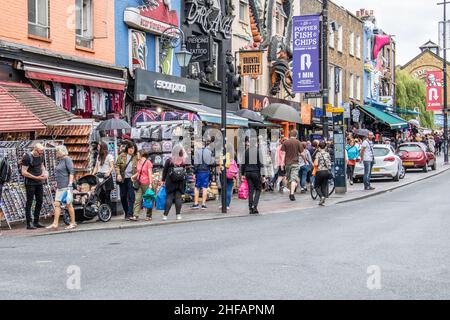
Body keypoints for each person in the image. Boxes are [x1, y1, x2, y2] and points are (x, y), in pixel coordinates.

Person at [46, 145, 76, 230]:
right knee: (57, 204)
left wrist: (70, 184)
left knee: (68, 204)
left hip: (66, 186)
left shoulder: (67, 159)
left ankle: (73, 223)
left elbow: (71, 172)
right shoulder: (61, 160)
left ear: (61, 152)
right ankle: (55, 223)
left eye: (57, 151)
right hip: (60, 186)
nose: (56, 153)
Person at [21, 143, 48, 230]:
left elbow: (42, 166)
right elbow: (24, 172)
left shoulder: (41, 156)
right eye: (40, 152)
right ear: (35, 150)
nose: (41, 154)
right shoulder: (27, 157)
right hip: (30, 183)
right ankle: (29, 223)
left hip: (39, 181)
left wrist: (45, 173)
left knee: (40, 200)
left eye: (42, 152)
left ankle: (36, 221)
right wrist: (36, 177)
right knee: (29, 202)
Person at [162, 145, 187, 220]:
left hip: (171, 181)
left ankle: (165, 215)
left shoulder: (169, 160)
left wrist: (163, 180)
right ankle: (178, 215)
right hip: (180, 181)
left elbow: (165, 171)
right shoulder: (183, 160)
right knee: (178, 198)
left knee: (169, 197)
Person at [115, 141, 137, 220]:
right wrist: (118, 174)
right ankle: (126, 211)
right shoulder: (122, 155)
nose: (131, 150)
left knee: (131, 196)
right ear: (127, 148)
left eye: (133, 148)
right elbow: (117, 165)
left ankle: (130, 214)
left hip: (132, 178)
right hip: (123, 179)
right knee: (123, 196)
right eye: (130, 148)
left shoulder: (136, 156)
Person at [92, 141, 116, 214]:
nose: (97, 147)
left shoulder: (109, 156)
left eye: (99, 146)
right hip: (99, 176)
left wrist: (108, 172)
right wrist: (92, 174)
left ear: (102, 147)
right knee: (100, 195)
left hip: (106, 177)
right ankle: (102, 213)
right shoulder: (98, 156)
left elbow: (112, 166)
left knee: (107, 195)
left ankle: (108, 212)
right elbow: (96, 167)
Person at [241, 138, 262, 214]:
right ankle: (254, 206)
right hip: (256, 172)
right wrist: (262, 174)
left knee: (251, 190)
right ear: (256, 143)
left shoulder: (246, 152)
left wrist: (242, 174)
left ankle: (250, 207)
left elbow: (242, 164)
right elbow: (260, 164)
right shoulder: (258, 152)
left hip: (248, 173)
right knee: (258, 189)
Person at [130, 150, 153, 221]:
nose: (137, 155)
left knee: (148, 199)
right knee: (137, 199)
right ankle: (135, 215)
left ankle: (148, 215)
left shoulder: (148, 162)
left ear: (141, 155)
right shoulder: (138, 162)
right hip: (139, 183)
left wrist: (150, 184)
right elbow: (139, 172)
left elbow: (150, 173)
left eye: (138, 154)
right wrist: (133, 176)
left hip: (146, 183)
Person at [281, 130, 303, 201]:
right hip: (295, 163)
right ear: (296, 135)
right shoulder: (298, 142)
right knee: (293, 179)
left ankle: (291, 192)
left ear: (290, 135)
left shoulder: (285, 142)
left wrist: (282, 163)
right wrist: (305, 160)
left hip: (287, 164)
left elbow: (283, 154)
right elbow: (302, 153)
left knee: (288, 179)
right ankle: (292, 193)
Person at [192, 141, 214, 210]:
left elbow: (196, 164)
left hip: (199, 171)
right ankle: (203, 204)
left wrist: (194, 172)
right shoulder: (208, 151)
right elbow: (212, 162)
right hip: (206, 171)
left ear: (200, 144)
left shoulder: (197, 152)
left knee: (197, 187)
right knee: (205, 187)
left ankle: (196, 203)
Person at [314, 141, 332, 206]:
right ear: (325, 147)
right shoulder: (327, 154)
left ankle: (321, 197)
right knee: (324, 186)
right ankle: (323, 199)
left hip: (320, 171)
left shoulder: (318, 154)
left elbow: (316, 163)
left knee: (316, 186)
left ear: (319, 147)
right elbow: (329, 163)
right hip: (326, 172)